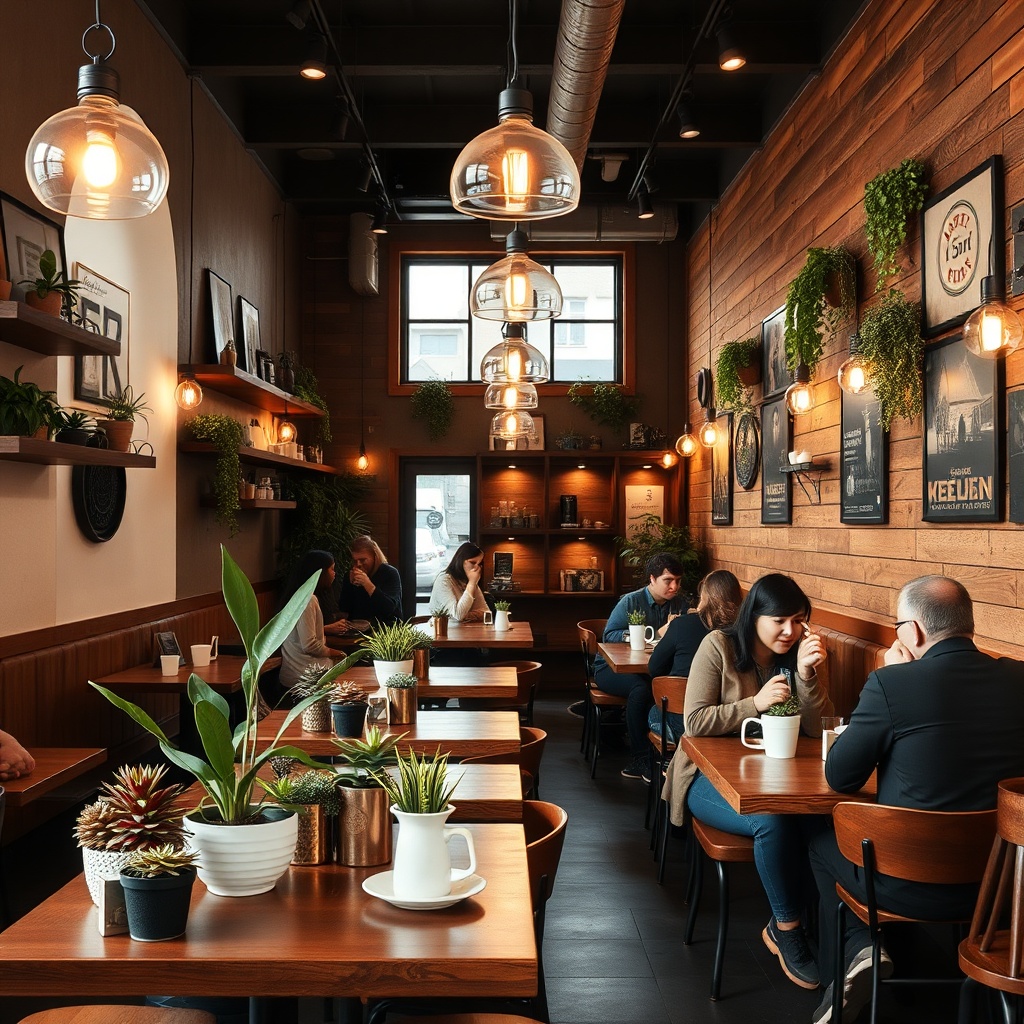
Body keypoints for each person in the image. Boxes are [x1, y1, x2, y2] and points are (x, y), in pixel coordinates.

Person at [807, 576, 1024, 1024]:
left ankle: (855, 956)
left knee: (818, 844)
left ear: (914, 632)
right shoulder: (1019, 679)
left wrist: (890, 675)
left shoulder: (892, 685)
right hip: (1004, 889)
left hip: (907, 887)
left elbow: (840, 774)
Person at [662, 572, 833, 990]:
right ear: (755, 615)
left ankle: (830, 930)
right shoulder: (718, 646)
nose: (790, 631)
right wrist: (753, 703)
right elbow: (694, 721)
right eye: (779, 621)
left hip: (777, 777)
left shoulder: (796, 657)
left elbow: (814, 729)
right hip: (707, 776)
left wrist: (808, 677)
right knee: (771, 822)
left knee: (821, 822)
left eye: (798, 620)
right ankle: (786, 930)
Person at [593, 552, 690, 780]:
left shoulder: (680, 604)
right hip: (610, 669)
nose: (674, 587)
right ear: (652, 579)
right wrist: (653, 635)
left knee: (666, 688)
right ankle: (640, 759)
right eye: (668, 581)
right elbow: (610, 635)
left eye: (678, 581)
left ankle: (665, 754)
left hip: (653, 669)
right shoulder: (630, 601)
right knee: (641, 690)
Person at [645, 569, 742, 744]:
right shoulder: (745, 632)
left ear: (704, 597)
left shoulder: (681, 625)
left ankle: (667, 763)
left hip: (681, 721)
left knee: (652, 709)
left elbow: (654, 668)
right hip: (731, 723)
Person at [278, 550, 345, 688]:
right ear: (320, 572)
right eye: (332, 569)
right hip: (306, 678)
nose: (334, 573)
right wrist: (337, 653)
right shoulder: (308, 599)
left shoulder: (298, 596)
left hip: (295, 674)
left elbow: (299, 635)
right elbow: (309, 645)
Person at [328, 535, 402, 632]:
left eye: (363, 560)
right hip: (358, 629)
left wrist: (368, 585)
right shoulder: (351, 574)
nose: (358, 564)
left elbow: (388, 609)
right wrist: (350, 586)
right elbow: (344, 608)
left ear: (375, 557)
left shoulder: (389, 573)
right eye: (355, 561)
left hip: (387, 630)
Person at [430, 542, 489, 622]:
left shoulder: (468, 581)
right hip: (443, 631)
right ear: (461, 561)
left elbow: (486, 613)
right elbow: (458, 615)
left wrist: (466, 615)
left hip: (465, 631)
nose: (477, 568)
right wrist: (471, 583)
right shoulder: (444, 580)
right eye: (473, 562)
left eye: (479, 564)